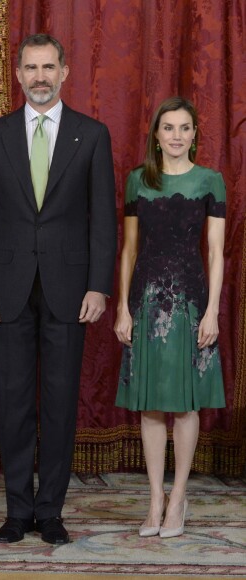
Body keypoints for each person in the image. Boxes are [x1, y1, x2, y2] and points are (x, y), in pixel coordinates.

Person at [0, 34, 116, 544]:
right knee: (13, 402)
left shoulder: (92, 135)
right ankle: (17, 510)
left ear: (65, 71)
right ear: (17, 73)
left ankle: (50, 511)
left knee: (58, 402)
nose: (39, 77)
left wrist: (99, 286)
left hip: (70, 289)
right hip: (6, 289)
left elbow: (103, 220)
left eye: (48, 67)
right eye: (30, 68)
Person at [114, 96, 226, 538]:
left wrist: (213, 310)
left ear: (194, 134)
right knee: (151, 404)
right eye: (168, 128)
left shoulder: (210, 181)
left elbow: (217, 252)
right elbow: (128, 249)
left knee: (184, 403)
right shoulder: (137, 181)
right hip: (145, 302)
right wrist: (122, 306)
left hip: (192, 303)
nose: (176, 136)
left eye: (184, 128)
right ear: (156, 136)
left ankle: (179, 498)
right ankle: (155, 499)